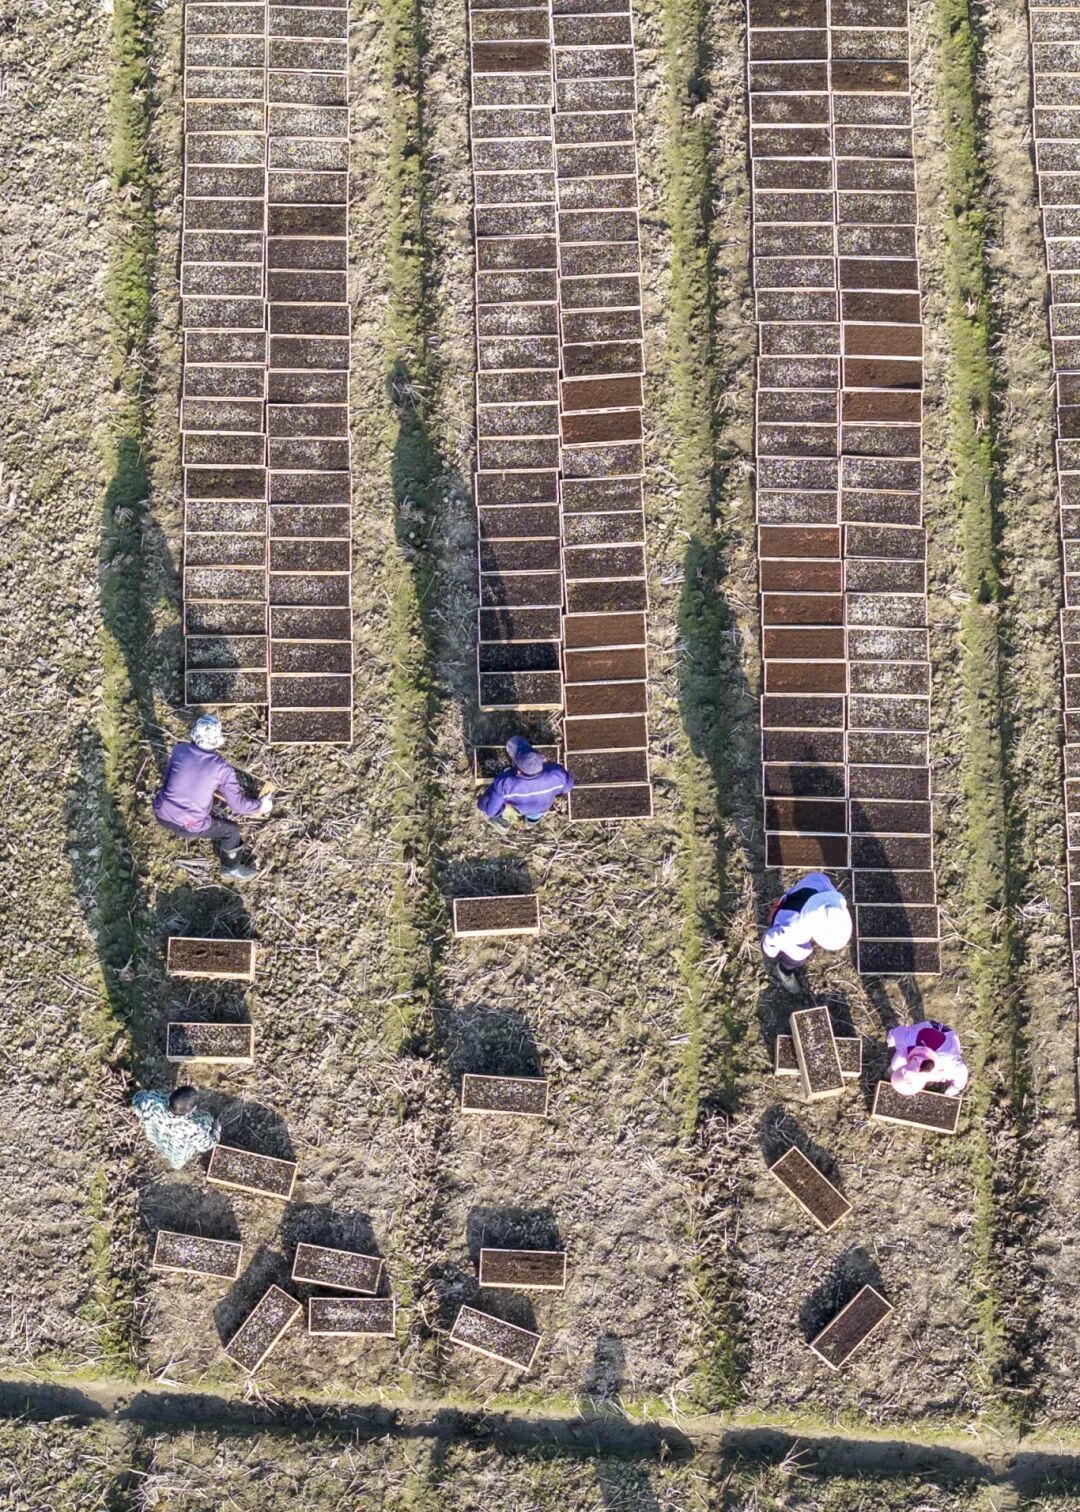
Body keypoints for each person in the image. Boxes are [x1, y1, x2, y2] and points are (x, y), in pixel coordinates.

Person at [153, 715, 271, 880]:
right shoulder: (222, 769)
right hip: (189, 826)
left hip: (161, 814)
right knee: (231, 831)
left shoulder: (179, 750)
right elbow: (238, 806)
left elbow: (167, 781)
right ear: (217, 741)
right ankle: (231, 868)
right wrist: (260, 806)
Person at [761, 871, 853, 992]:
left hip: (791, 901)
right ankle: (784, 971)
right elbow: (771, 938)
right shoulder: (795, 931)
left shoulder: (822, 882)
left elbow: (816, 875)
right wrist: (771, 952)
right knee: (798, 957)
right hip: (784, 920)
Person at [477, 736, 575, 832]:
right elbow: (568, 787)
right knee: (535, 814)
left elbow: (491, 811)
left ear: (519, 771)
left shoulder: (505, 784)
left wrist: (482, 804)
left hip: (518, 808)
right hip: (540, 808)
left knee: (492, 807)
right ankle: (529, 823)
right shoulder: (557, 774)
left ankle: (505, 823)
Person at [131, 1086, 221, 1171]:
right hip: (176, 1153)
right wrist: (216, 1130)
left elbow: (137, 1100)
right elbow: (206, 1145)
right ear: (192, 1110)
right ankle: (175, 1167)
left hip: (154, 1138)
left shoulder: (151, 1102)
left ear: (171, 1094)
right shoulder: (194, 1128)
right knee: (177, 1162)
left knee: (157, 1144)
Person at [888, 1020, 969, 1098]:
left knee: (897, 1061)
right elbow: (895, 1034)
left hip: (947, 1036)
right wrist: (891, 1039)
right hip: (926, 1030)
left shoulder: (948, 1065)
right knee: (895, 1064)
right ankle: (894, 1069)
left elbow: (962, 1073)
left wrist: (956, 1087)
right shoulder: (907, 1037)